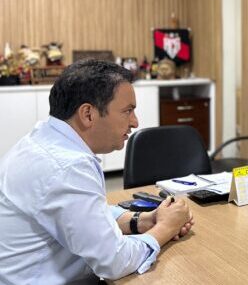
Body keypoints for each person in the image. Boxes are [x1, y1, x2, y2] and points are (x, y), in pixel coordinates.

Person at [0, 59, 195, 284]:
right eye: (127, 111)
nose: (135, 121)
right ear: (88, 114)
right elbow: (114, 262)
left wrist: (142, 221)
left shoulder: (42, 139)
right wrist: (165, 228)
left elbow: (86, 214)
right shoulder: (68, 167)